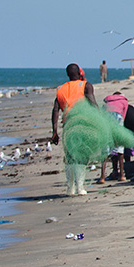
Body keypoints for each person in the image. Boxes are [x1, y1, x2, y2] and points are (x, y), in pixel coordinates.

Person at [50, 63, 97, 196]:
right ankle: (80, 187)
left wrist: (54, 131)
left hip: (68, 126)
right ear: (80, 73)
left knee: (70, 156)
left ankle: (70, 188)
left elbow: (55, 110)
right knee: (82, 155)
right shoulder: (85, 85)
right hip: (82, 125)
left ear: (68, 75)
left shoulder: (60, 89)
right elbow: (93, 104)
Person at [101, 91, 131, 183]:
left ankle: (102, 177)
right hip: (118, 119)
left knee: (105, 150)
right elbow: (124, 115)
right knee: (120, 149)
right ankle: (121, 175)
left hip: (106, 122)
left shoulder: (106, 104)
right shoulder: (124, 102)